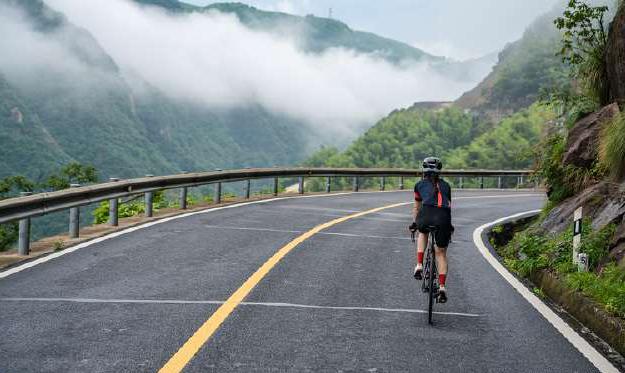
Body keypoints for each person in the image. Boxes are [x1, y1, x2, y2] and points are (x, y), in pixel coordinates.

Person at [409, 157, 453, 303]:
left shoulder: (419, 185)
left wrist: (415, 223)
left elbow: (417, 207)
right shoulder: (446, 186)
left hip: (426, 213)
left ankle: (419, 264)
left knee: (423, 231)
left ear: (424, 170)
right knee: (440, 253)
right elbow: (448, 208)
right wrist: (449, 226)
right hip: (443, 218)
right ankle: (441, 287)